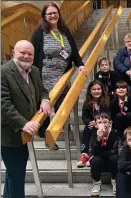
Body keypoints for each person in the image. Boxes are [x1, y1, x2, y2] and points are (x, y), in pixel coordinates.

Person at [31, 2, 87, 149]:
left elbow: (73, 50)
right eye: (49, 13)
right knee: (46, 108)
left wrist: (80, 64)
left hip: (63, 75)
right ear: (44, 16)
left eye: (55, 12)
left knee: (64, 105)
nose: (53, 15)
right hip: (46, 74)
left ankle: (62, 127)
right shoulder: (39, 33)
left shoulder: (64, 30)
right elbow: (34, 55)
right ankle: (48, 138)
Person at [1, 40, 52, 198]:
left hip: (26, 133)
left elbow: (43, 90)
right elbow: (4, 104)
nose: (26, 56)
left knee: (13, 173)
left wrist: (45, 100)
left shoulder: (34, 71)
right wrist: (24, 124)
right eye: (23, 52)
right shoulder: (3, 72)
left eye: (30, 54)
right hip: (10, 133)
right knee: (16, 175)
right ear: (14, 52)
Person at [77, 80, 110, 167]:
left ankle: (93, 155)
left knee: (98, 129)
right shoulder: (87, 103)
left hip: (104, 125)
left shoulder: (106, 102)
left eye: (98, 89)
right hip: (92, 125)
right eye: (94, 89)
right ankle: (85, 154)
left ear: (102, 90)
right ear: (90, 91)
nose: (96, 91)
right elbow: (84, 117)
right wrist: (90, 122)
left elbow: (108, 115)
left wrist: (99, 123)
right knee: (88, 128)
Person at [89, 112, 118, 196]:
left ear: (109, 123)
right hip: (99, 162)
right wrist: (99, 139)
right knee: (94, 160)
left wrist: (100, 153)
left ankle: (115, 180)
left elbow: (115, 151)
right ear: (96, 125)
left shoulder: (114, 134)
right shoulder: (94, 135)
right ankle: (97, 183)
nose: (103, 125)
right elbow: (93, 152)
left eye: (105, 122)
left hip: (111, 162)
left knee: (115, 158)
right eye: (100, 122)